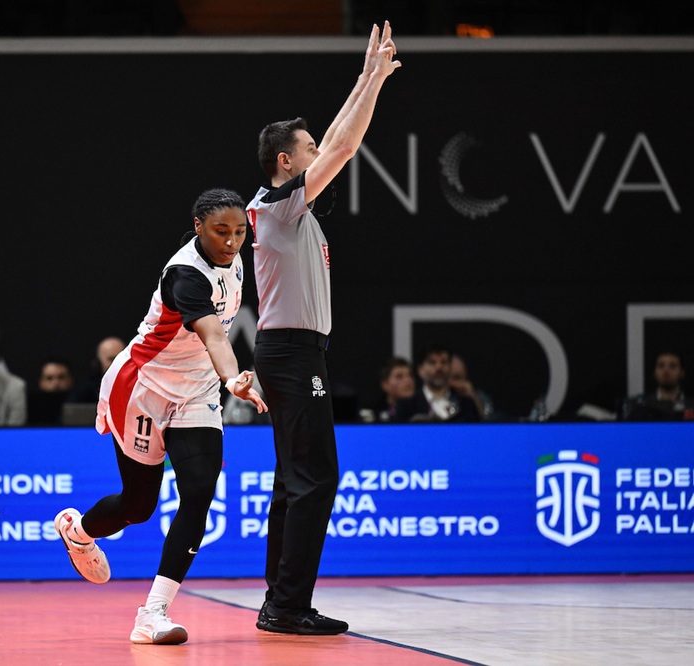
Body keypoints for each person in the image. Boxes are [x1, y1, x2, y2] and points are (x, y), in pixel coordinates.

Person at [54, 189, 267, 645]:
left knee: (199, 492)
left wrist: (220, 382)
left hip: (197, 393)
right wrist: (234, 378)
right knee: (139, 506)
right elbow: (212, 335)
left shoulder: (237, 257)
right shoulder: (185, 275)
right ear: (197, 226)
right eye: (220, 232)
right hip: (142, 388)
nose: (231, 242)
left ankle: (152, 613)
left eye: (239, 232)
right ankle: (77, 531)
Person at [248, 22, 400, 636]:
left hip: (293, 351)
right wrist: (372, 80)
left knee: (295, 479)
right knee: (316, 478)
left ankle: (278, 599)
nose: (321, 157)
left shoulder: (290, 212)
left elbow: (335, 143)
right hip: (291, 352)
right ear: (287, 161)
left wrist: (370, 78)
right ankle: (287, 604)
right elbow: (343, 146)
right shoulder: (276, 205)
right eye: (307, 151)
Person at [392, 347, 481, 424]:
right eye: (432, 362)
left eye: (444, 362)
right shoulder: (406, 406)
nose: (439, 367)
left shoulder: (466, 404)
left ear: (450, 368)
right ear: (420, 370)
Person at [622, 351, 694, 421]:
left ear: (682, 372)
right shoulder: (640, 407)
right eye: (661, 366)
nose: (666, 371)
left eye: (672, 366)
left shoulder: (691, 406)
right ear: (655, 372)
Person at [67, 336, 126, 404]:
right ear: (98, 362)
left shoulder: (137, 387)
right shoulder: (85, 394)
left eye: (119, 359)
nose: (116, 363)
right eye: (111, 359)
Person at [362, 356, 414, 423]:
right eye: (399, 376)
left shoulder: (424, 409)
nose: (408, 381)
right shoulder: (373, 412)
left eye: (410, 375)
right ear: (385, 385)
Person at [449, 354, 494, 421]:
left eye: (456, 378)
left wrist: (473, 397)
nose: (451, 382)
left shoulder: (478, 397)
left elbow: (488, 419)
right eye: (446, 378)